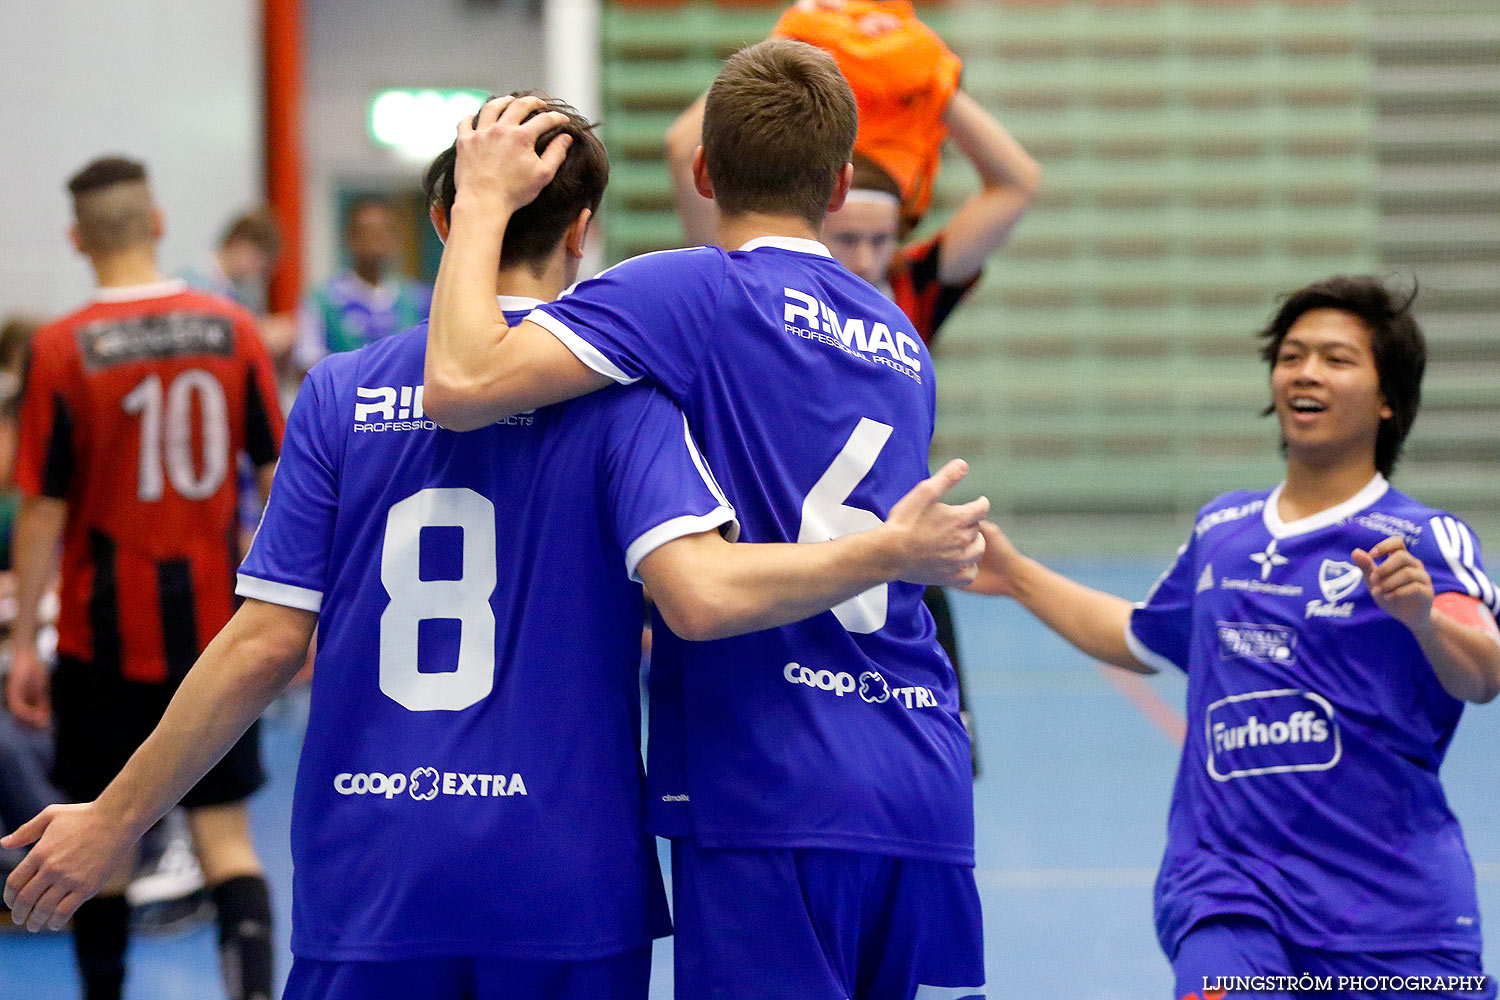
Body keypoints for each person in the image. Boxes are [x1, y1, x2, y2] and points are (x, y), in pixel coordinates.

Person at [4, 96, 986, 1000]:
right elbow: (702, 592)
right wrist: (887, 552)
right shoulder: (628, 398)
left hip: (373, 864)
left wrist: (115, 818)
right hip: (568, 873)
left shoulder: (341, 395)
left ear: (447, 221)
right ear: (581, 232)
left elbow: (262, 646)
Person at [423, 43, 987, 1000]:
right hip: (917, 765)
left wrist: (478, 200)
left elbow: (464, 384)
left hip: (774, 774)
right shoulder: (900, 339)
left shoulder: (688, 291)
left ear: (702, 173)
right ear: (843, 182)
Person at [965, 276, 1500, 999]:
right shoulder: (1224, 531)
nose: (1305, 371)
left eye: (1337, 359)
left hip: (1391, 909)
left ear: (1387, 399)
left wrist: (1421, 617)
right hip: (1228, 891)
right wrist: (1017, 574)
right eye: (1291, 355)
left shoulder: (1425, 538)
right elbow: (1137, 637)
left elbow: (1483, 673)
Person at [665, 4, 1042, 776]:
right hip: (766, 546)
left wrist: (936, 80)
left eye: (883, 240)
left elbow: (1016, 184)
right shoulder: (745, 282)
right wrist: (799, 43)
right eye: (851, 239)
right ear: (820, 211)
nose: (868, 257)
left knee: (926, 755)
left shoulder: (909, 290)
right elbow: (684, 148)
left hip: (893, 555)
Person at [3, 156, 284, 1000]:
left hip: (100, 638)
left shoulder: (60, 346)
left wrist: (24, 647)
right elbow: (280, 480)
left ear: (76, 238)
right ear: (158, 223)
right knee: (228, 841)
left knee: (104, 840)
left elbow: (43, 512)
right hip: (214, 634)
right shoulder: (232, 329)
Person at [293, 195, 431, 374]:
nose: (375, 241)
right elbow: (307, 365)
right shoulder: (323, 300)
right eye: (367, 232)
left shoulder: (419, 299)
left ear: (396, 239)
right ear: (350, 238)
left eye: (383, 232)